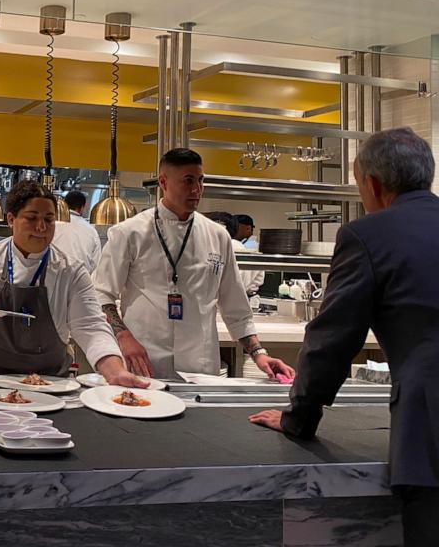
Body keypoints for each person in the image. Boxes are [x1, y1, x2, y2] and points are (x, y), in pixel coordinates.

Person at [249, 128, 439, 545]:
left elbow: (332, 338)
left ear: (371, 184)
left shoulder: (367, 235)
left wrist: (298, 419)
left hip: (430, 433)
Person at [92, 148, 294, 380]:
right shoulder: (129, 233)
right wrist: (124, 337)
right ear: (163, 182)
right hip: (143, 361)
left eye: (200, 180)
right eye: (188, 181)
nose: (196, 189)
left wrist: (260, 354)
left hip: (200, 365)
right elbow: (102, 295)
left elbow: (235, 308)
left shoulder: (218, 235)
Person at [0, 179, 145, 386]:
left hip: (45, 385)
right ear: (10, 219)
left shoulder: (70, 271)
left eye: (49, 219)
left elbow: (91, 327)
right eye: (32, 218)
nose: (41, 227)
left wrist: (116, 372)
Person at [207, 211, 265, 299]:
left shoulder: (235, 247)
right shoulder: (222, 245)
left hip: (234, 298)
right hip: (237, 297)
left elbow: (238, 283)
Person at [51, 190, 102, 274]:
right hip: (82, 281)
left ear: (64, 204)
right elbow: (96, 266)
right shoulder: (91, 231)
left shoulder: (53, 224)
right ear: (82, 208)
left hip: (51, 278)